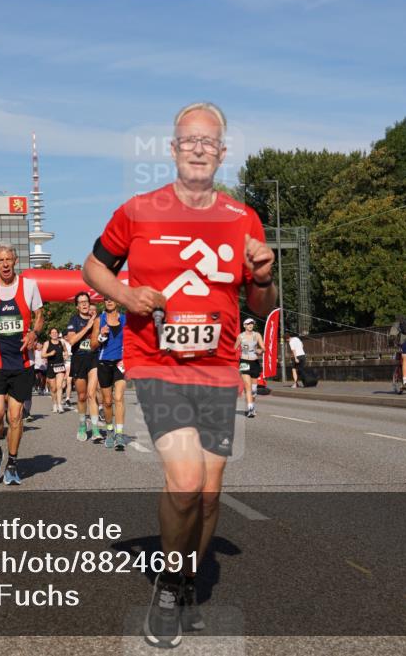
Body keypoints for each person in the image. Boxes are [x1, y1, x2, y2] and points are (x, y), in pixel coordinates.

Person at [82, 102, 276, 648]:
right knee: (186, 481)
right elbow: (93, 267)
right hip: (157, 363)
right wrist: (125, 295)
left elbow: (261, 306)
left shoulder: (243, 219)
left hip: (217, 367)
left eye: (208, 141)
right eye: (188, 140)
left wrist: (264, 276)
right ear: (172, 149)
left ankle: (188, 578)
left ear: (222, 152)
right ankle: (168, 588)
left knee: (210, 494)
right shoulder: (139, 211)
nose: (197, 148)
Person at [0, 242, 44, 486]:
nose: (5, 264)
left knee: (15, 416)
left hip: (22, 362)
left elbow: (39, 316)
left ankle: (12, 463)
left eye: (8, 259)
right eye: (0, 260)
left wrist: (34, 333)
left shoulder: (29, 286)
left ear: (15, 261)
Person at [90, 298, 127, 450]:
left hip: (120, 363)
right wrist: (101, 336)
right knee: (107, 401)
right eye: (106, 299)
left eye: (112, 299)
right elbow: (93, 345)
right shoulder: (100, 320)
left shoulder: (125, 319)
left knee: (118, 398)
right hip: (104, 362)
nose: (109, 301)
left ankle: (119, 434)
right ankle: (110, 431)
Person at [65, 292, 101, 441]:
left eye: (86, 301)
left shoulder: (98, 319)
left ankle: (96, 429)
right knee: (81, 396)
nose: (84, 304)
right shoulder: (74, 320)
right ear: (77, 306)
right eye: (81, 302)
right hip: (79, 359)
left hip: (94, 358)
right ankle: (82, 425)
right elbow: (72, 341)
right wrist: (88, 327)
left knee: (91, 394)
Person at [236, 318, 264, 417]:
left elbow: (263, 348)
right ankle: (250, 409)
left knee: (253, 390)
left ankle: (252, 405)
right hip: (244, 362)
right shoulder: (240, 336)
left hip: (254, 362)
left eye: (252, 323)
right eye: (248, 324)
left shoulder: (257, 335)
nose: (250, 325)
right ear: (244, 325)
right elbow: (234, 348)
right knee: (247, 386)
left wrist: (260, 350)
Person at [43, 329, 67, 413]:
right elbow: (42, 355)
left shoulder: (62, 343)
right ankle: (54, 404)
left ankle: (60, 405)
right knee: (53, 389)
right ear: (50, 335)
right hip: (51, 367)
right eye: (52, 333)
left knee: (59, 386)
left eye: (56, 332)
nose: (54, 334)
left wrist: (66, 355)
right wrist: (50, 354)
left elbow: (65, 351)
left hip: (60, 366)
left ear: (58, 334)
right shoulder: (47, 343)